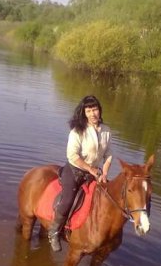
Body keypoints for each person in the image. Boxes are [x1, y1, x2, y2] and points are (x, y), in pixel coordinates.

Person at [48, 95, 113, 252]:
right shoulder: (78, 131)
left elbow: (108, 155)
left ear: (100, 110)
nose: (93, 114)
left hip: (95, 173)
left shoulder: (106, 131)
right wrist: (90, 169)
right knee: (67, 200)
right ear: (84, 112)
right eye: (89, 110)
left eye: (95, 109)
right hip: (74, 170)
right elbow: (72, 155)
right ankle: (54, 232)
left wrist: (104, 173)